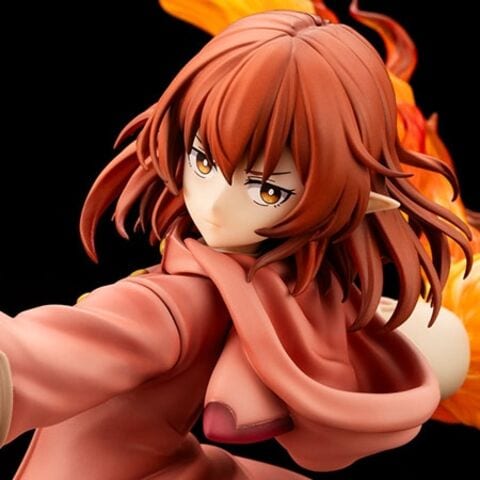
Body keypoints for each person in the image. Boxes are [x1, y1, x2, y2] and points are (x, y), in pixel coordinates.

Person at [0, 10, 472, 479]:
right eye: (202, 161)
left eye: (268, 190)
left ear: (342, 198)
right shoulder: (180, 300)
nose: (215, 204)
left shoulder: (267, 291)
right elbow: (40, 356)